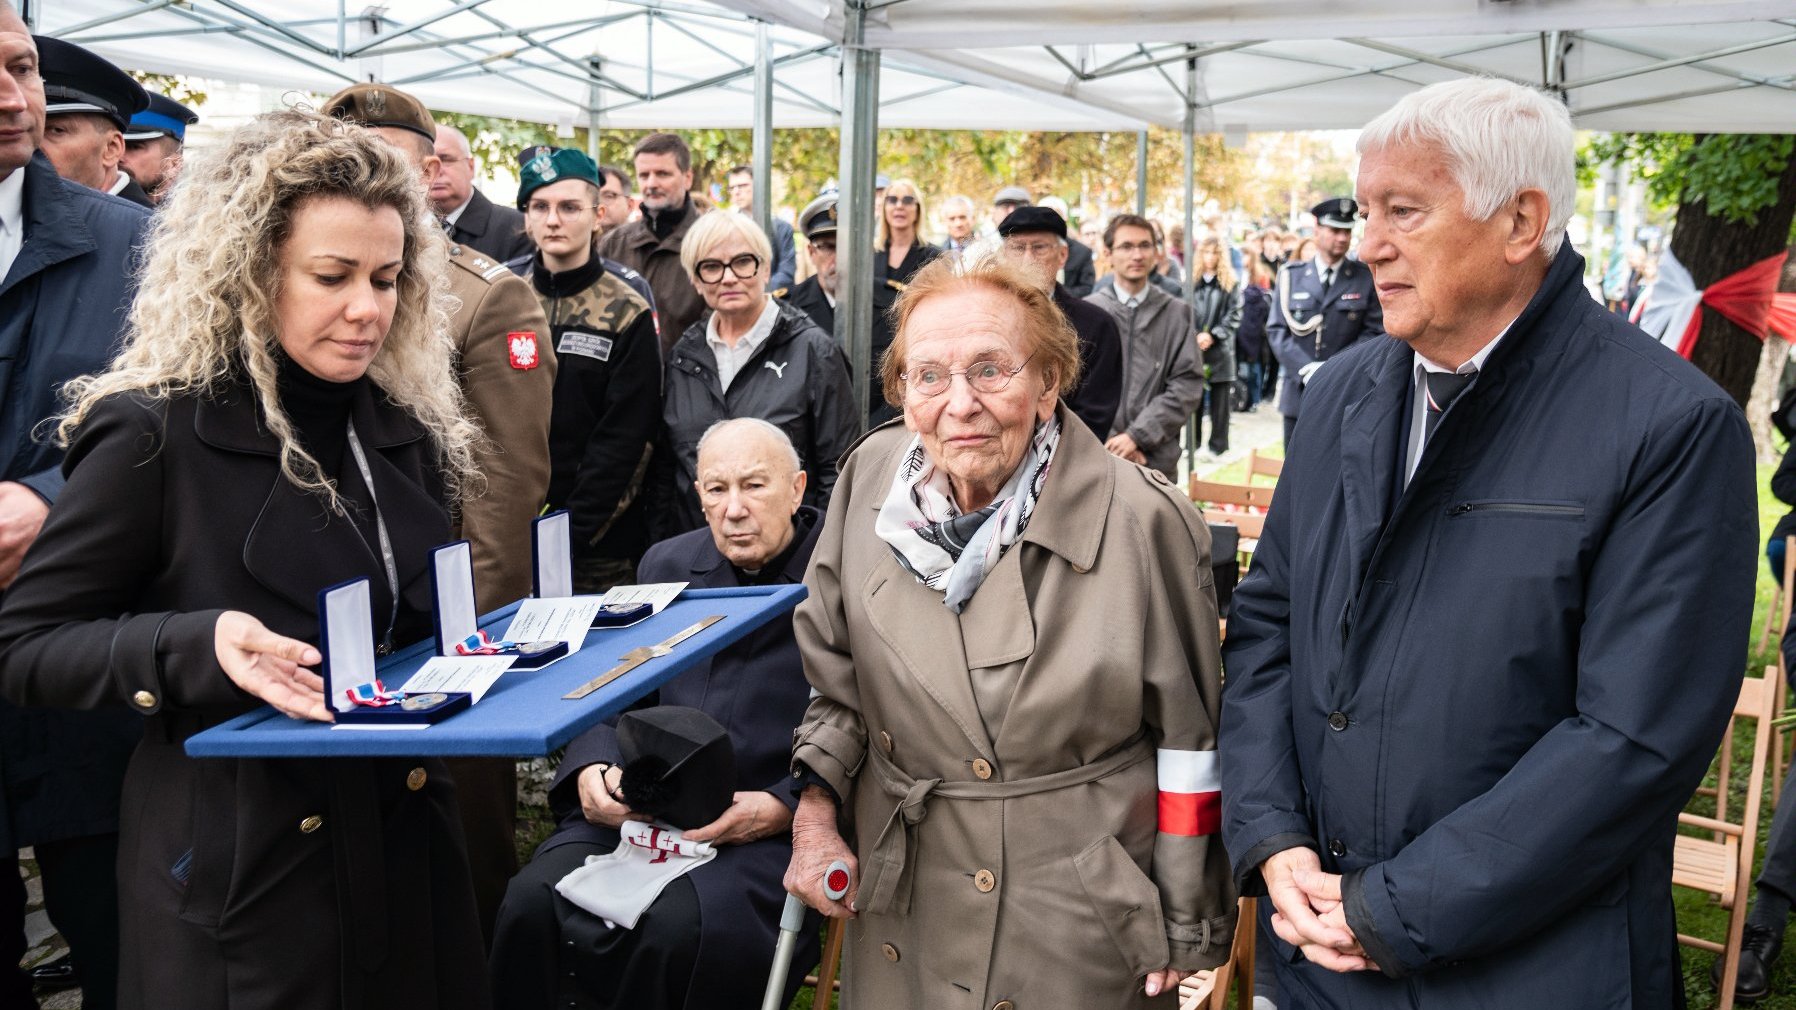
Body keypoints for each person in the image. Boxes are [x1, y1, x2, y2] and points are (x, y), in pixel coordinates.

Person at [1220, 77, 1756, 1009]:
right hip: (1318, 944)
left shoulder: (1669, 425)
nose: (1371, 242)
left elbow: (1633, 738)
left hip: (1533, 969)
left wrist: (1395, 908)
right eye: (1366, 208)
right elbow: (1268, 624)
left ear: (1521, 222)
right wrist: (1274, 838)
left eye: (1405, 210)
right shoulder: (1344, 391)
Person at [0, 108, 492, 1010]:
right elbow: (26, 645)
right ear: (251, 270)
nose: (367, 309)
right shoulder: (153, 429)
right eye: (332, 276)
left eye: (387, 279)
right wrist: (196, 643)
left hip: (406, 850)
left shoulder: (404, 427)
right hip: (246, 879)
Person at [784, 257, 1235, 1008]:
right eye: (927, 376)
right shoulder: (869, 480)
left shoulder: (1143, 520)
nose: (959, 404)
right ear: (901, 390)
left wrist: (1186, 919)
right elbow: (837, 689)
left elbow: (1192, 746)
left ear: (1049, 382)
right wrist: (815, 817)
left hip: (1074, 905)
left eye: (991, 369)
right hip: (908, 894)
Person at [322, 82, 556, 942]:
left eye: (389, 161)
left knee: (459, 851)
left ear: (430, 172)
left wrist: (472, 651)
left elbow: (503, 492)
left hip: (441, 629)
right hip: (327, 618)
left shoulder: (485, 298)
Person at [490, 418, 825, 1010]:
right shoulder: (666, 564)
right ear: (698, 496)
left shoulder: (841, 574)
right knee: (531, 900)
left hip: (759, 826)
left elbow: (870, 723)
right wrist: (592, 768)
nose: (734, 510)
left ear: (798, 489)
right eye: (717, 490)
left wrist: (783, 807)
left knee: (673, 932)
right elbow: (615, 690)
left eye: (755, 486)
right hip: (639, 807)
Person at [0, 9, 150, 1005]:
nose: (14, 98)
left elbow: (179, 419)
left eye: (20, 69)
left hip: (85, 674)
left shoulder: (130, 246)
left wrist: (51, 499)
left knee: (123, 951)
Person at [656, 211, 858, 536]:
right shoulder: (683, 356)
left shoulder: (813, 351)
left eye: (742, 262)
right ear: (694, 279)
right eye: (711, 267)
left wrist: (816, 556)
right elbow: (669, 472)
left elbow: (839, 470)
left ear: (765, 268)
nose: (728, 278)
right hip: (700, 558)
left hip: (790, 558)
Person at [514, 146, 661, 592]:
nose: (553, 220)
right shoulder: (503, 300)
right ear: (525, 217)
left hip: (597, 546)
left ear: (598, 216)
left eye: (569, 207)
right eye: (540, 207)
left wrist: (570, 533)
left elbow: (627, 438)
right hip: (511, 536)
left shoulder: (625, 310)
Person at [1087, 213, 1206, 480]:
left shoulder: (1177, 314)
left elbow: (1187, 384)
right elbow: (1073, 391)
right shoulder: (1089, 313)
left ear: (1156, 252)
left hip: (1155, 460)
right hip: (1096, 458)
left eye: (1145, 245)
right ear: (1108, 253)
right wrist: (1111, 443)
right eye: (1126, 246)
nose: (1137, 255)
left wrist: (1138, 437)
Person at [1266, 198, 1384, 448]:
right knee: (1295, 474)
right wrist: (1306, 368)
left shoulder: (1364, 277)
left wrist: (1331, 369)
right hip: (1299, 391)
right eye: (1335, 230)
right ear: (1317, 230)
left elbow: (1374, 332)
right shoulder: (1291, 276)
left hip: (1346, 391)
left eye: (1347, 231)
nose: (1342, 238)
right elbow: (1277, 330)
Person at [997, 204, 1122, 440]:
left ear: (1062, 255)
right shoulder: (982, 319)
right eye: (1017, 248)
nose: (1028, 259)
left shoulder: (1096, 326)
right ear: (1004, 255)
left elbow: (1093, 419)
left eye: (1039, 247)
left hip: (1064, 461)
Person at [599, 132, 708, 355]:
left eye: (662, 174)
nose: (651, 183)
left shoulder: (712, 240)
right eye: (644, 175)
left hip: (692, 380)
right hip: (625, 380)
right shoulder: (613, 244)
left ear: (687, 178)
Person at [35, 35, 150, 206]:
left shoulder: (148, 231)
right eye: (29, 129)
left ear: (112, 148)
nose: (33, 146)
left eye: (56, 130)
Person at [434, 123, 534, 264]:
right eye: (425, 162)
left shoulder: (517, 228)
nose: (436, 170)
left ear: (471, 166)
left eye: (445, 159)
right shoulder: (405, 227)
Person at [1191, 236, 1242, 455]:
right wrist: (1195, 335)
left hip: (1221, 350)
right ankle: (1194, 443)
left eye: (1214, 253)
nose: (1210, 257)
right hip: (1196, 349)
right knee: (1195, 401)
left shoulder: (1230, 284)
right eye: (1206, 252)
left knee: (1221, 403)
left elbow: (1234, 314)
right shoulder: (1192, 284)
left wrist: (1213, 335)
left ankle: (1218, 446)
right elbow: (1184, 312)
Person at [726, 164, 796, 290]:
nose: (736, 192)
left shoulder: (781, 228)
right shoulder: (725, 229)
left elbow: (786, 273)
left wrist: (756, 291)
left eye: (742, 186)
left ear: (757, 186)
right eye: (732, 188)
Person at [118, 92, 195, 206]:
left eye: (134, 147)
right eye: (113, 144)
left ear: (174, 163)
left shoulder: (192, 218)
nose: (117, 155)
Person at [779, 192, 838, 333]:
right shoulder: (788, 306)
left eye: (847, 247)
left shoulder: (888, 303)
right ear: (811, 252)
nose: (839, 257)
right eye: (829, 247)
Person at [1234, 256, 1273, 413]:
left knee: (1249, 372)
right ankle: (1252, 401)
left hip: (1249, 341)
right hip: (1256, 342)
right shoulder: (1261, 298)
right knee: (1253, 372)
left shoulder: (1249, 295)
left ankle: (1247, 400)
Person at [1038, 195, 1097, 297]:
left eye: (1054, 215)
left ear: (1064, 219)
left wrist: (1056, 295)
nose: (1048, 221)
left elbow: (1087, 288)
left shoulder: (1082, 252)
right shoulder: (1027, 249)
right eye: (1043, 216)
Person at [939, 193, 976, 264]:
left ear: (973, 219)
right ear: (944, 222)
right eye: (952, 219)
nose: (958, 224)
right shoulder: (936, 254)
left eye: (962, 217)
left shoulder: (987, 248)